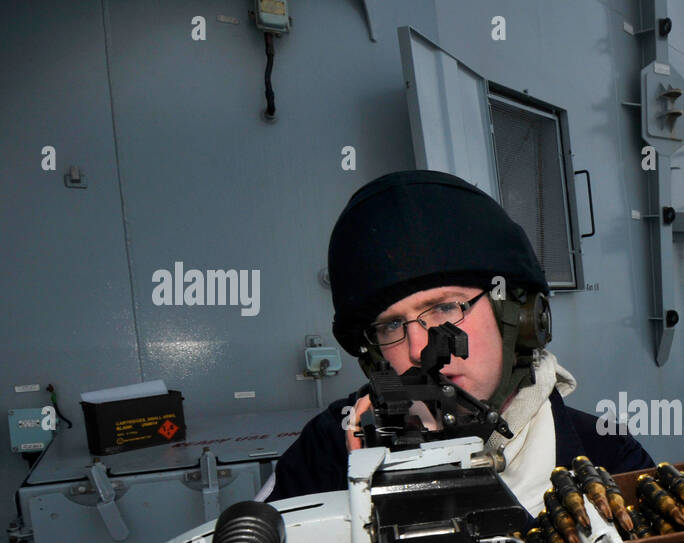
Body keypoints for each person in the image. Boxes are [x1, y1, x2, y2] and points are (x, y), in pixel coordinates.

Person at [264, 170, 653, 512]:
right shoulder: (331, 448)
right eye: (390, 326)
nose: (418, 349)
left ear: (518, 318)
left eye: (445, 308)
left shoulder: (607, 456)